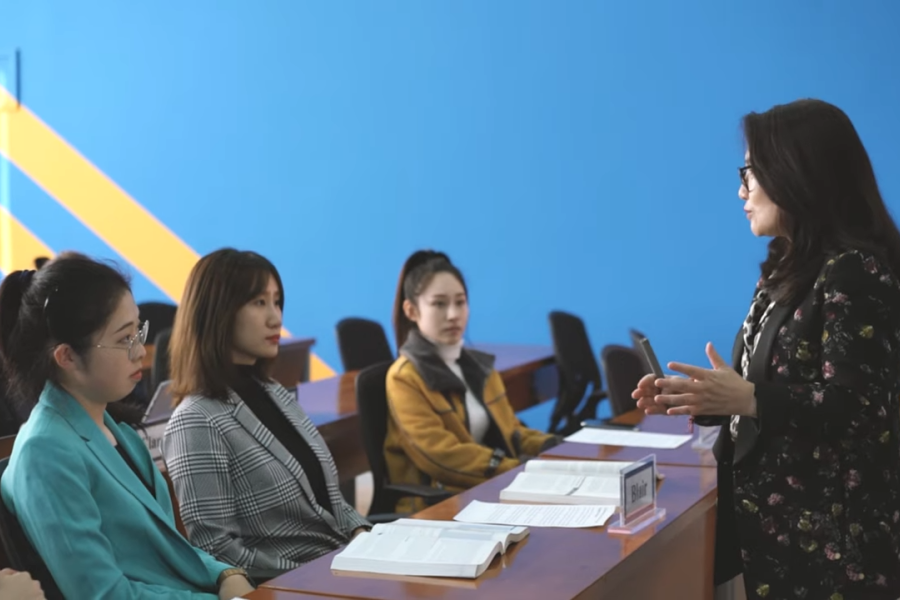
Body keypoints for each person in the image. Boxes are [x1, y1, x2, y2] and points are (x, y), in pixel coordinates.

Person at [632, 99, 900, 599]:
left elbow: (859, 406)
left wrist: (747, 398)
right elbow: (764, 390)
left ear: (797, 174)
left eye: (751, 173)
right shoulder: (787, 266)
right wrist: (700, 399)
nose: (741, 190)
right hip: (778, 535)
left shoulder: (855, 271)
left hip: (835, 548)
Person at [0, 254, 254, 600]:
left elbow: (167, 548)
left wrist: (225, 574)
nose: (140, 353)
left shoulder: (110, 425)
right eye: (124, 339)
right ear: (67, 357)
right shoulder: (45, 453)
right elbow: (103, 594)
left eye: (138, 331)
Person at [163, 249, 370, 582]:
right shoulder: (196, 419)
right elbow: (216, 549)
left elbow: (330, 502)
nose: (275, 318)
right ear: (218, 312)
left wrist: (364, 537)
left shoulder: (273, 391)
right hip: (295, 584)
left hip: (345, 566)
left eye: (277, 302)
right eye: (259, 303)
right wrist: (324, 571)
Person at [385, 250, 561, 512]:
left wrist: (555, 448)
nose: (454, 314)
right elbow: (442, 456)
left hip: (487, 492)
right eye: (439, 304)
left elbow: (512, 432)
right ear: (411, 310)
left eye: (460, 302)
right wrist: (520, 469)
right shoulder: (404, 377)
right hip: (436, 506)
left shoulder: (480, 367)